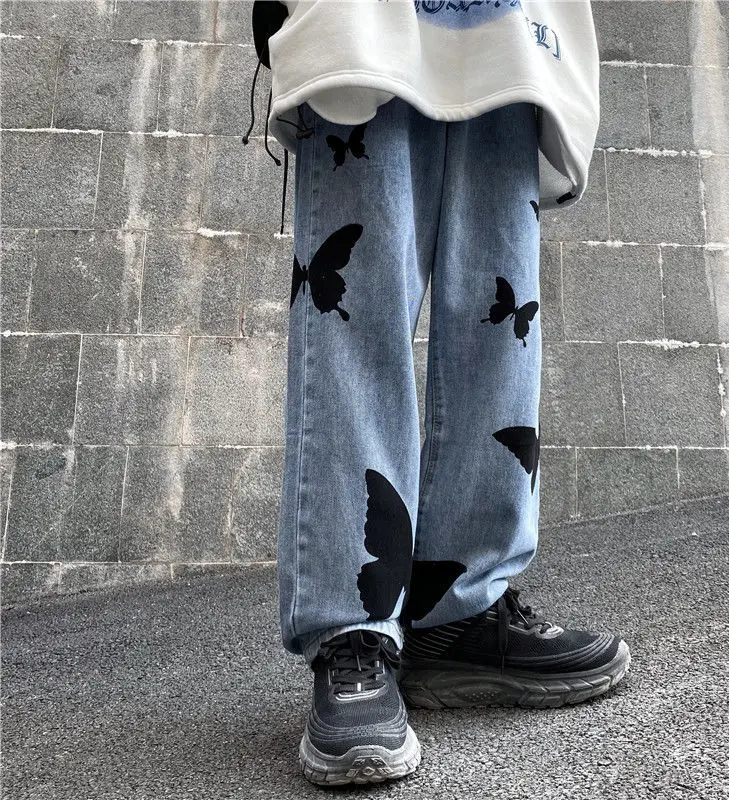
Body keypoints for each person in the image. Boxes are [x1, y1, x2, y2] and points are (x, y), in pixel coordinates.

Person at [242, 0, 630, 787]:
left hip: (510, 39)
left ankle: (461, 610)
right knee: (354, 312)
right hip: (360, 24)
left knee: (502, 317)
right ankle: (353, 627)